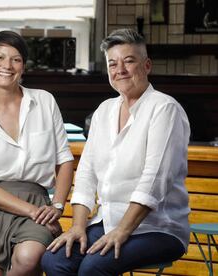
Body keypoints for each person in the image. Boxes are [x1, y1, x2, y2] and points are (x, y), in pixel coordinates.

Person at [42, 28, 191, 275]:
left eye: (129, 61)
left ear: (147, 65)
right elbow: (87, 174)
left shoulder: (164, 109)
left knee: (93, 267)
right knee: (54, 260)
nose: (120, 69)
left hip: (156, 228)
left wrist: (122, 231)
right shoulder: (104, 111)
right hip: (104, 221)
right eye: (113, 63)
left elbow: (153, 181)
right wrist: (78, 226)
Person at [0, 30, 74, 276]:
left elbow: (64, 161)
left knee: (29, 258)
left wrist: (58, 206)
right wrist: (33, 212)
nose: (6, 66)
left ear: (23, 66)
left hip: (37, 201)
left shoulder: (44, 102)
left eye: (15, 59)